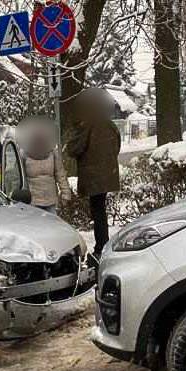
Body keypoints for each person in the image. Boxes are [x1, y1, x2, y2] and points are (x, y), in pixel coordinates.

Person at [64, 88, 121, 260]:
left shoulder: (87, 125)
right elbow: (117, 146)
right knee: (100, 210)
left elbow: (74, 149)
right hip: (106, 175)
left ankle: (101, 246)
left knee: (97, 212)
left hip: (93, 177)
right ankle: (102, 243)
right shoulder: (109, 124)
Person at [18, 116, 72, 214]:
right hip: (32, 202)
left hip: (50, 201)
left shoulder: (52, 153)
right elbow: (18, 177)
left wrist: (65, 193)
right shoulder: (24, 154)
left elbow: (60, 174)